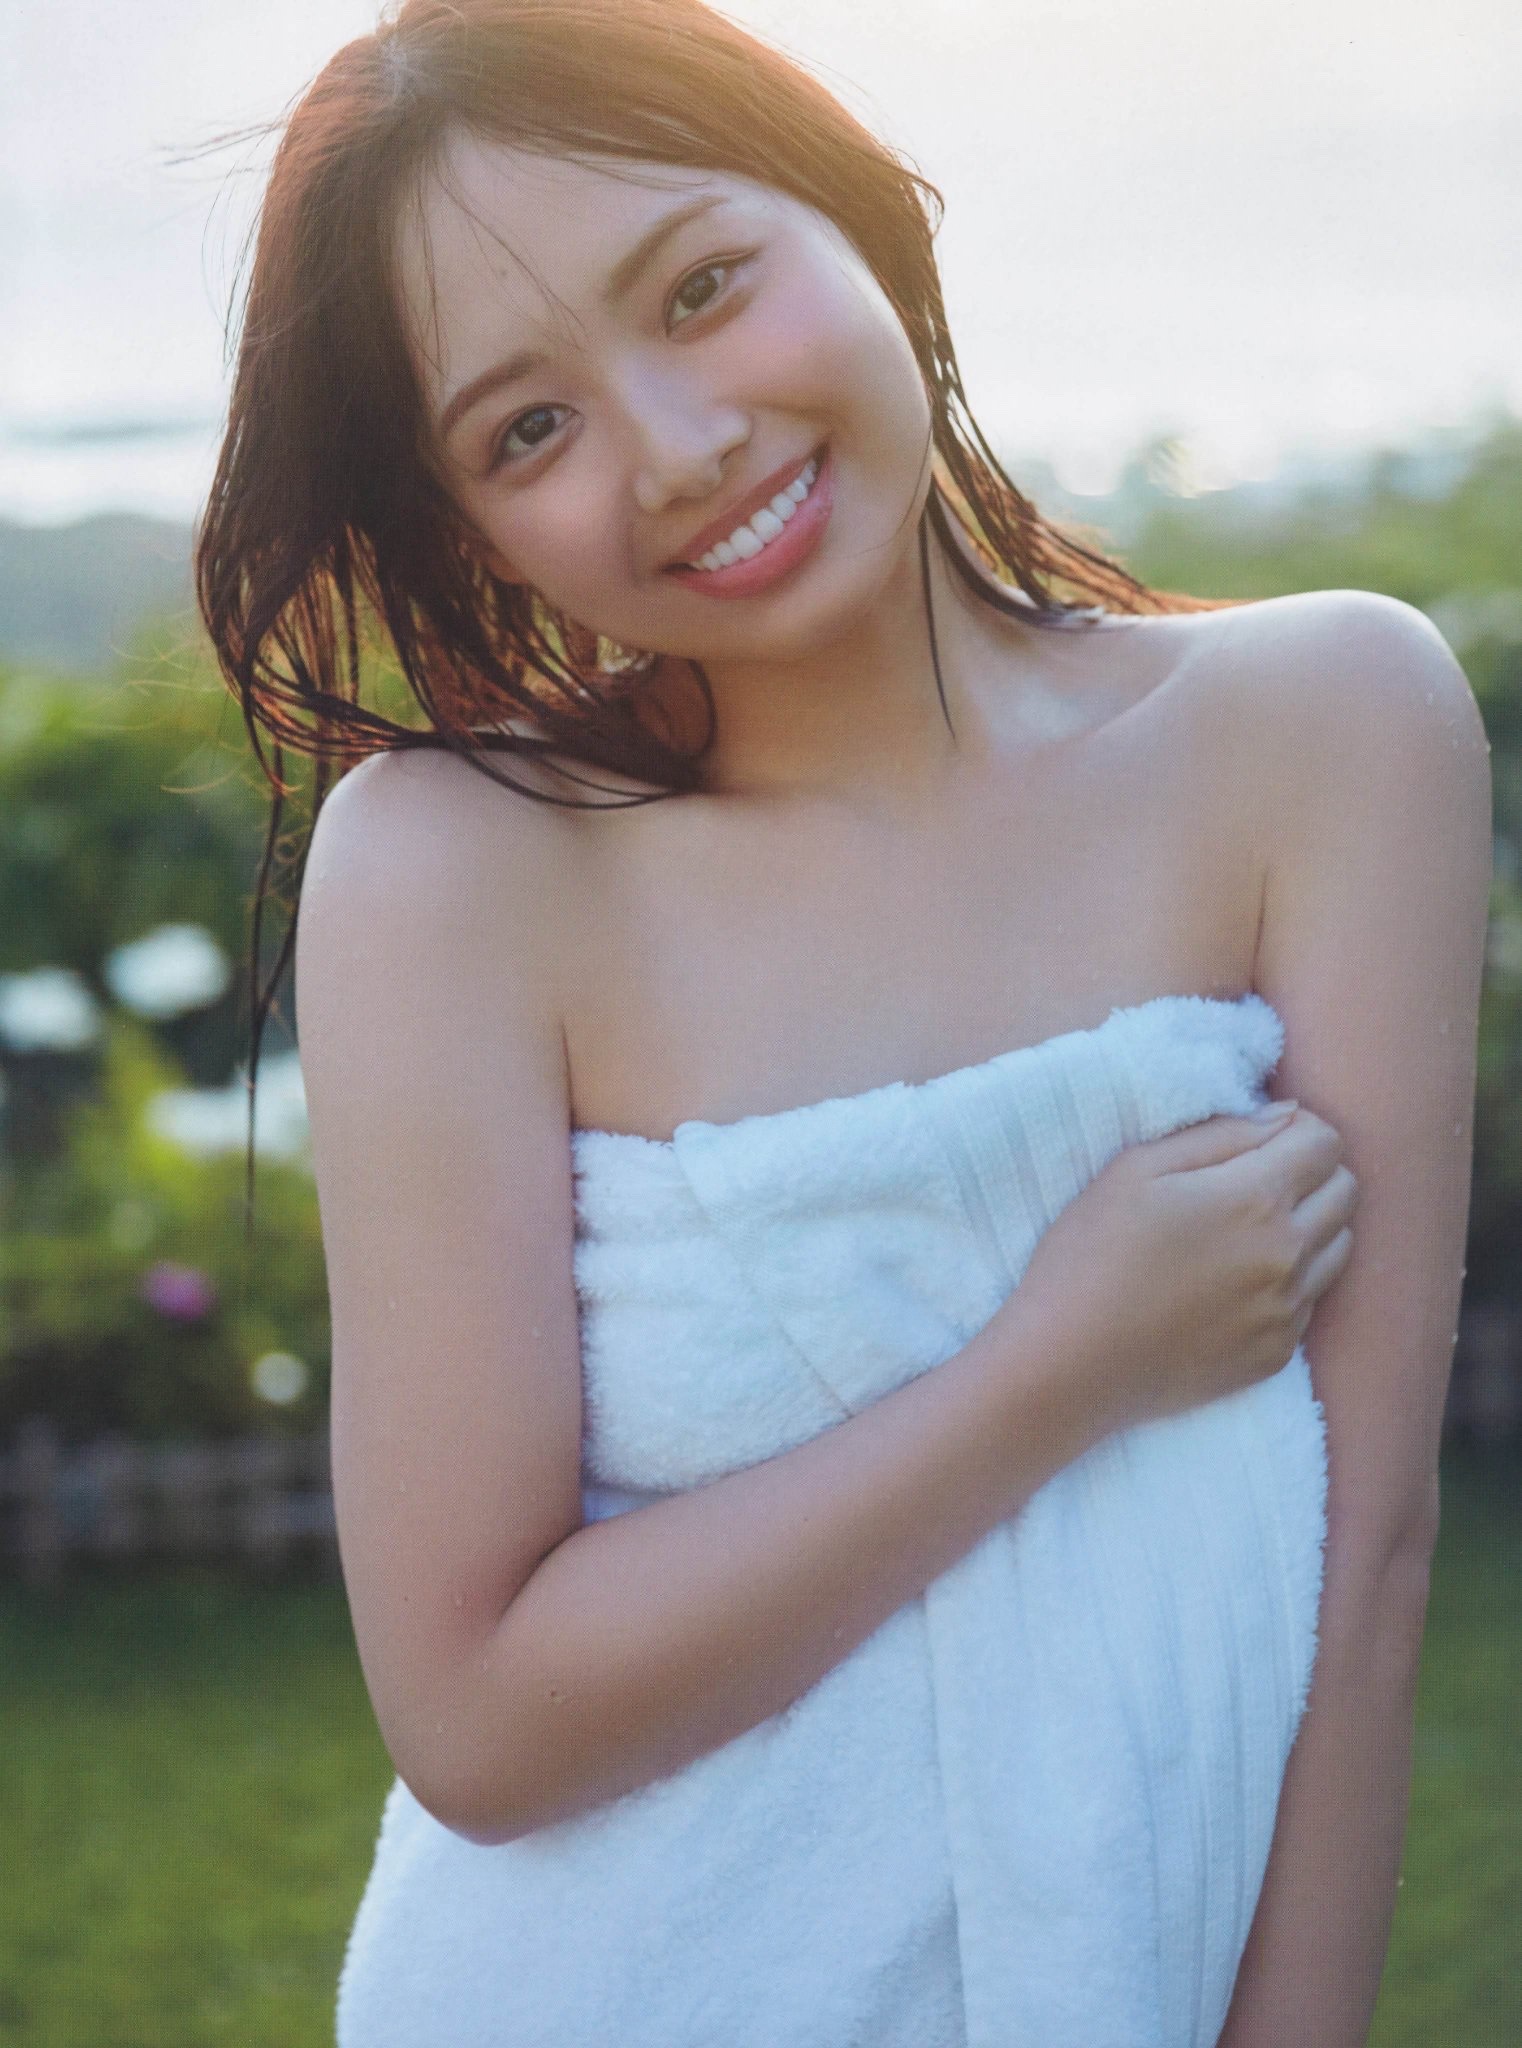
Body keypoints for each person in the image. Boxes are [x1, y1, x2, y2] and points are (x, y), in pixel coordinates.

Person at [192, 1, 1492, 2041]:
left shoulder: (1323, 730)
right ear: (462, 528)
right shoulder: (457, 872)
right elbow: (479, 1719)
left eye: (700, 288)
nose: (678, 445)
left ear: (855, 212)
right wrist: (1057, 1364)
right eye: (527, 429)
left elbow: (1369, 1558)